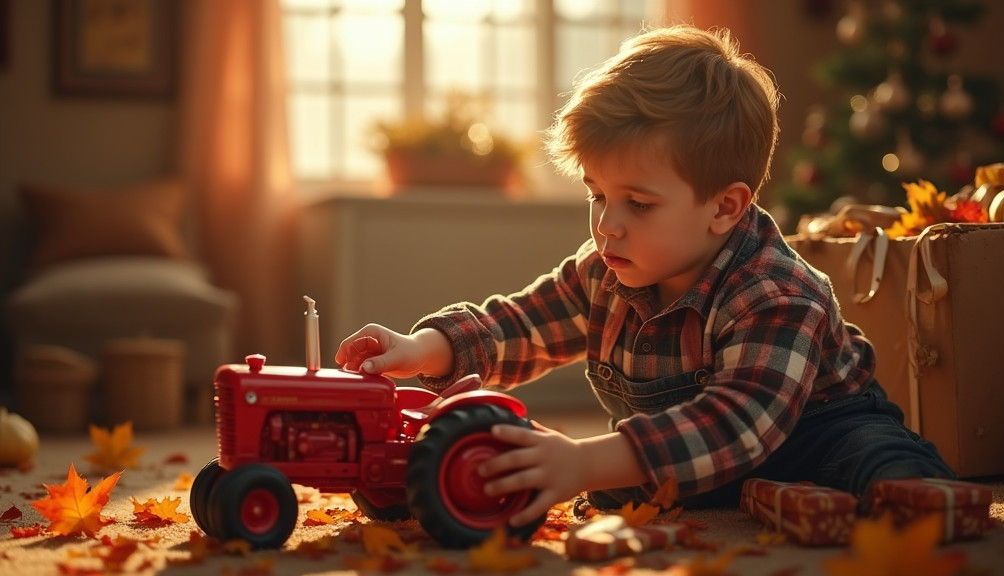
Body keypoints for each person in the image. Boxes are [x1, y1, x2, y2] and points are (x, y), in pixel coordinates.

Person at [335, 24, 955, 527]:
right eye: (596, 194)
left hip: (811, 429)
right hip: (690, 452)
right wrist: (420, 349)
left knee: (873, 461)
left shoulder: (777, 294)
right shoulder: (606, 273)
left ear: (725, 207)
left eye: (638, 202)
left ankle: (918, 485)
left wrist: (583, 462)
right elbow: (518, 323)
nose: (607, 224)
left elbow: (736, 421)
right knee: (616, 490)